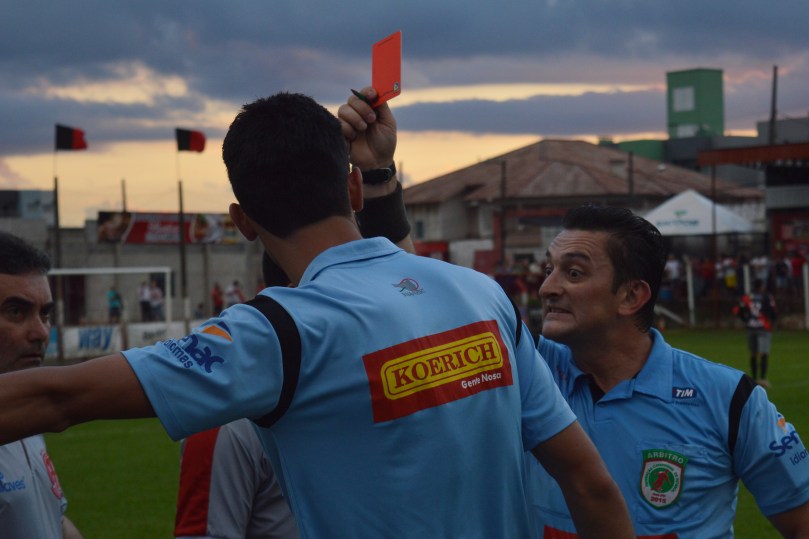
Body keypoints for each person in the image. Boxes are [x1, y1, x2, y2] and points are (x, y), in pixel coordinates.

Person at [0, 90, 633, 538]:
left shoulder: (276, 333)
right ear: (353, 187)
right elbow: (590, 483)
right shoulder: (481, 294)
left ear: (243, 222)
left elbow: (58, 398)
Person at [524, 205, 809, 538]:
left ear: (631, 296)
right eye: (549, 269)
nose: (547, 287)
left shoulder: (729, 398)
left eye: (573, 273)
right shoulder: (524, 375)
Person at [0, 231, 83, 538]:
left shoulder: (26, 415)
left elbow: (53, 519)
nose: (41, 332)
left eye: (45, 313)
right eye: (16, 311)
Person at [733, 277, 777, 387]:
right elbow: (773, 310)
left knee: (753, 353)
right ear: (761, 286)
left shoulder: (748, 297)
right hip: (763, 327)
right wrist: (772, 322)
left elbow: (737, 310)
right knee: (764, 353)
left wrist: (746, 320)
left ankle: (753, 378)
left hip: (751, 327)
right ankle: (763, 378)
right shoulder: (767, 296)